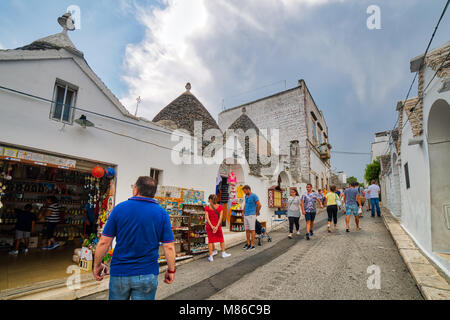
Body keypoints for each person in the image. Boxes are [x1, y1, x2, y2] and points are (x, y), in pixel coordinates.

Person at [93, 176, 176, 300]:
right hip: (147, 272)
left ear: (136, 190)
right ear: (153, 193)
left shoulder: (119, 209)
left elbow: (104, 242)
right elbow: (169, 247)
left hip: (120, 272)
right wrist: (171, 270)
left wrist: (97, 265)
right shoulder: (162, 213)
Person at [205, 194, 231, 262]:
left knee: (210, 241)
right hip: (217, 226)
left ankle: (211, 257)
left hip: (209, 226)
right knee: (221, 239)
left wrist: (212, 226)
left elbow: (207, 218)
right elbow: (220, 218)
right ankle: (223, 253)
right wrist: (216, 226)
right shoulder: (220, 207)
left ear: (210, 199)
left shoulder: (207, 207)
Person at [242, 185, 261, 251]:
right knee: (247, 230)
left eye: (245, 191)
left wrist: (256, 212)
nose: (244, 193)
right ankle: (248, 243)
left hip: (251, 215)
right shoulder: (246, 196)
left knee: (252, 230)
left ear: (248, 189)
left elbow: (259, 205)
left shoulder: (254, 196)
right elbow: (245, 204)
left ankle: (252, 245)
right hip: (246, 215)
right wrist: (243, 212)